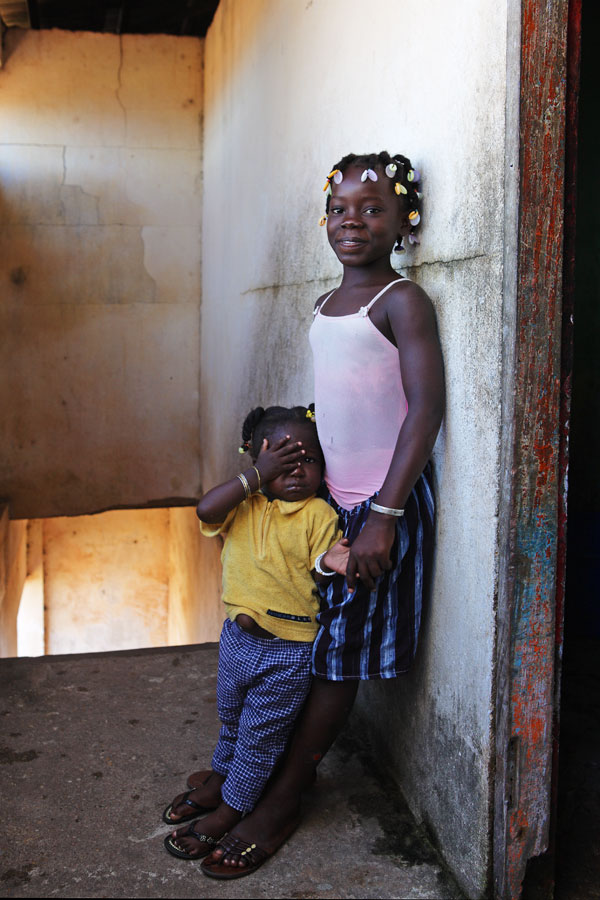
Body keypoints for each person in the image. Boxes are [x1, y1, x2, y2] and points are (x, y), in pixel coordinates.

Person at [199, 151, 445, 880]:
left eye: (372, 209)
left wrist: (386, 515)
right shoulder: (326, 305)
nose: (352, 221)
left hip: (379, 507)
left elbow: (424, 411)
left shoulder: (402, 301)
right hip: (334, 505)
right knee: (303, 646)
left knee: (338, 663)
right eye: (340, 208)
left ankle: (282, 797)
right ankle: (246, 773)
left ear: (405, 221)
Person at [163, 404, 349, 860]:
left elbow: (320, 568)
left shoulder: (317, 515)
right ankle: (224, 779)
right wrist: (256, 478)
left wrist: (332, 563)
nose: (297, 471)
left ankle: (232, 810)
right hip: (237, 643)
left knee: (259, 737)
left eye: (308, 460)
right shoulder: (242, 503)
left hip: (287, 653)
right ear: (256, 458)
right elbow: (205, 508)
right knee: (232, 720)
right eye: (283, 460)